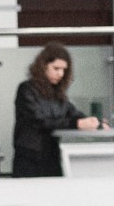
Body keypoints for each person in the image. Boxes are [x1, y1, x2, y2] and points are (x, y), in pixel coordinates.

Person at [11, 43, 102, 177]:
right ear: (43, 66)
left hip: (51, 156)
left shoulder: (57, 94)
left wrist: (95, 122)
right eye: (56, 68)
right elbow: (39, 120)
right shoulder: (26, 89)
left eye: (64, 70)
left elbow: (73, 114)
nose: (60, 73)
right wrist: (76, 124)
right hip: (29, 158)